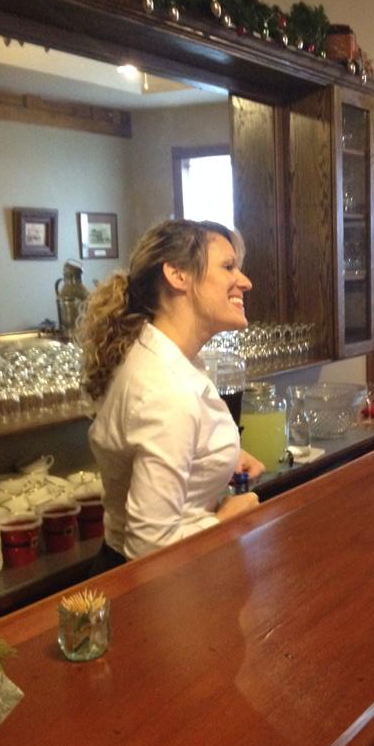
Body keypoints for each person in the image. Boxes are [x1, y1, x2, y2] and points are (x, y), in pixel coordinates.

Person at [78, 219, 264, 572]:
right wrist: (227, 518)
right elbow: (148, 546)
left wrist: (214, 452)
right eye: (228, 267)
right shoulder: (167, 390)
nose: (245, 281)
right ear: (178, 275)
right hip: (159, 587)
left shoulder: (166, 357)